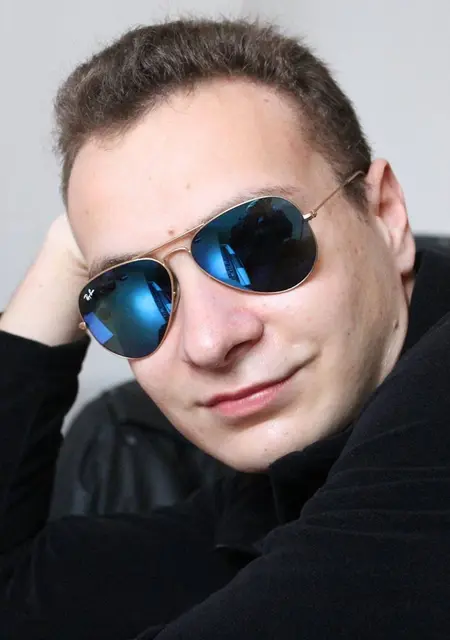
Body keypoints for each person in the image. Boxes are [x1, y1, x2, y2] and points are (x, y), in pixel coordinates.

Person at [0, 17, 449, 640]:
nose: (209, 342)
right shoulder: (265, 506)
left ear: (385, 214)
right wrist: (66, 258)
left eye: (259, 243)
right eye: (130, 293)